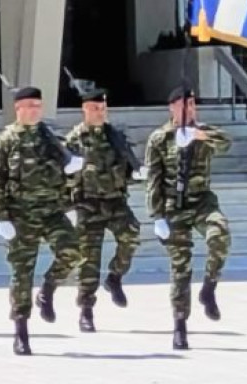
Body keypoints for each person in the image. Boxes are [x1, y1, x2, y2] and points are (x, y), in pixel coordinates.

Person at [0, 85, 85, 356]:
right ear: (18, 109)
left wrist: (73, 173)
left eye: (37, 106)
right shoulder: (5, 142)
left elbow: (69, 177)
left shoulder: (51, 140)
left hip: (51, 211)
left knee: (73, 251)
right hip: (21, 215)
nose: (33, 111)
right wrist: (0, 216)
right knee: (22, 274)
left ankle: (48, 289)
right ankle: (21, 331)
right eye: (28, 106)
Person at [145, 84, 232, 351]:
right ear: (172, 108)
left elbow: (226, 143)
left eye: (192, 104)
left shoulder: (203, 132)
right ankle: (180, 325)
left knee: (220, 236)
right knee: (180, 268)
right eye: (184, 104)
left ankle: (209, 286)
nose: (189, 109)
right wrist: (157, 216)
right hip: (174, 206)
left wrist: (197, 134)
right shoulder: (159, 139)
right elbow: (153, 180)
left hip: (202, 202)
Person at [63, 79, 143, 333]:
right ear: (85, 110)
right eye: (95, 108)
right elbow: (61, 175)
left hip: (115, 200)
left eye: (103, 108)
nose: (100, 113)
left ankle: (115, 276)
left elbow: (128, 165)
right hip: (88, 204)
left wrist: (137, 172)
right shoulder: (74, 140)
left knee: (131, 234)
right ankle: (86, 309)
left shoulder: (115, 136)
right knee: (89, 259)